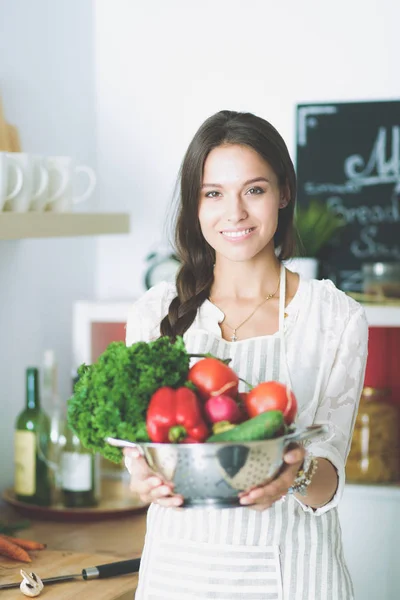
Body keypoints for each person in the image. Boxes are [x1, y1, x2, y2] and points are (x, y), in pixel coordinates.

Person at [123, 110, 368, 600]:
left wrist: (292, 473)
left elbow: (328, 484)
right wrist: (141, 478)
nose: (233, 213)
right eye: (213, 193)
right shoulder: (154, 313)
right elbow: (141, 458)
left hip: (298, 576)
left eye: (253, 190)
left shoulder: (334, 317)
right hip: (179, 575)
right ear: (195, 204)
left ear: (284, 194)